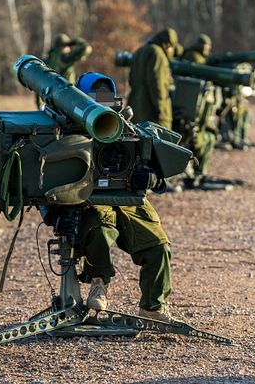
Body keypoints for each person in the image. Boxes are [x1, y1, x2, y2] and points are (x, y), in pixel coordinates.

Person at [70, 73, 174, 322]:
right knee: (99, 232)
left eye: (108, 98)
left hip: (128, 199)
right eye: (95, 98)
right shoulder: (67, 132)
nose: (103, 105)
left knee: (158, 246)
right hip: (89, 198)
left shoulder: (131, 131)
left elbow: (160, 176)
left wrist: (152, 178)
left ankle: (152, 305)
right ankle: (98, 284)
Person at [179, 33, 222, 189]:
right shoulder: (193, 57)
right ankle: (195, 175)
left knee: (208, 137)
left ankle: (199, 174)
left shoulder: (198, 57)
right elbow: (200, 71)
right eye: (205, 46)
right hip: (193, 104)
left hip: (200, 104)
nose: (208, 49)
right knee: (198, 140)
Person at [127, 28, 181, 129]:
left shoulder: (140, 51)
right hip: (152, 113)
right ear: (168, 44)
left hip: (135, 108)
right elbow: (157, 84)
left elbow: (131, 80)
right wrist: (161, 110)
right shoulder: (158, 54)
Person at [35, 33, 93, 107]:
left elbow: (38, 82)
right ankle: (110, 103)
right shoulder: (65, 57)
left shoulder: (47, 60)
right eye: (67, 46)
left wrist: (39, 104)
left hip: (52, 98)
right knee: (103, 97)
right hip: (69, 94)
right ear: (64, 46)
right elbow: (86, 48)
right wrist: (73, 42)